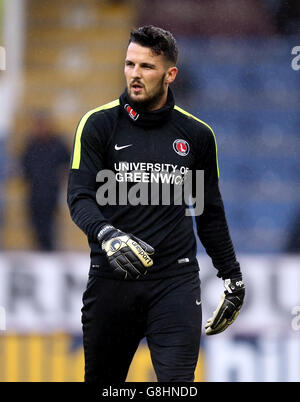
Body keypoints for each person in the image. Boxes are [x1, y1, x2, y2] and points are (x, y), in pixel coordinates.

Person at [67, 25, 245, 383]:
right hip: (111, 281)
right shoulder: (98, 125)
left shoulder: (196, 136)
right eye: (130, 64)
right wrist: (107, 234)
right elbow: (79, 197)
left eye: (146, 67)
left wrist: (232, 277)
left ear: (170, 74)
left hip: (175, 282)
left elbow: (209, 212)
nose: (135, 74)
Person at [22, 112, 70, 251]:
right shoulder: (30, 144)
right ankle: (39, 250)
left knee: (50, 225)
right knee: (35, 224)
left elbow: (69, 164)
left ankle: (49, 251)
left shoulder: (58, 144)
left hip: (52, 192)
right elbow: (24, 167)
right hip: (34, 192)